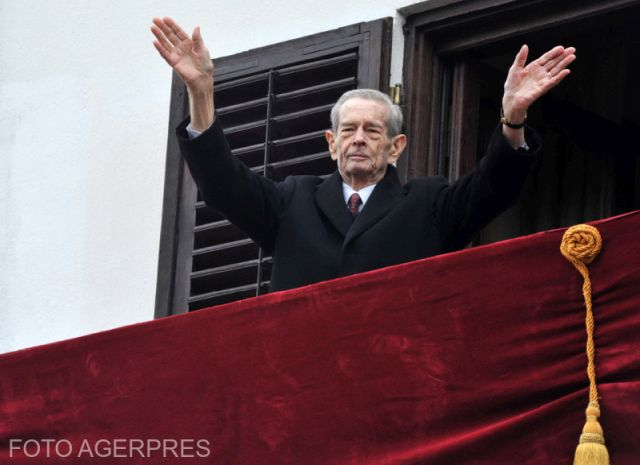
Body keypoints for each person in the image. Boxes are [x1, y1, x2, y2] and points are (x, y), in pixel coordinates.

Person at [151, 17, 576, 292]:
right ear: (331, 143)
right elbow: (224, 185)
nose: (358, 139)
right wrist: (201, 92)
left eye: (372, 131)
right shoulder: (292, 200)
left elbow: (493, 188)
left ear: (396, 147)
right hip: (302, 378)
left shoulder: (428, 203)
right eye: (348, 130)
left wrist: (513, 118)